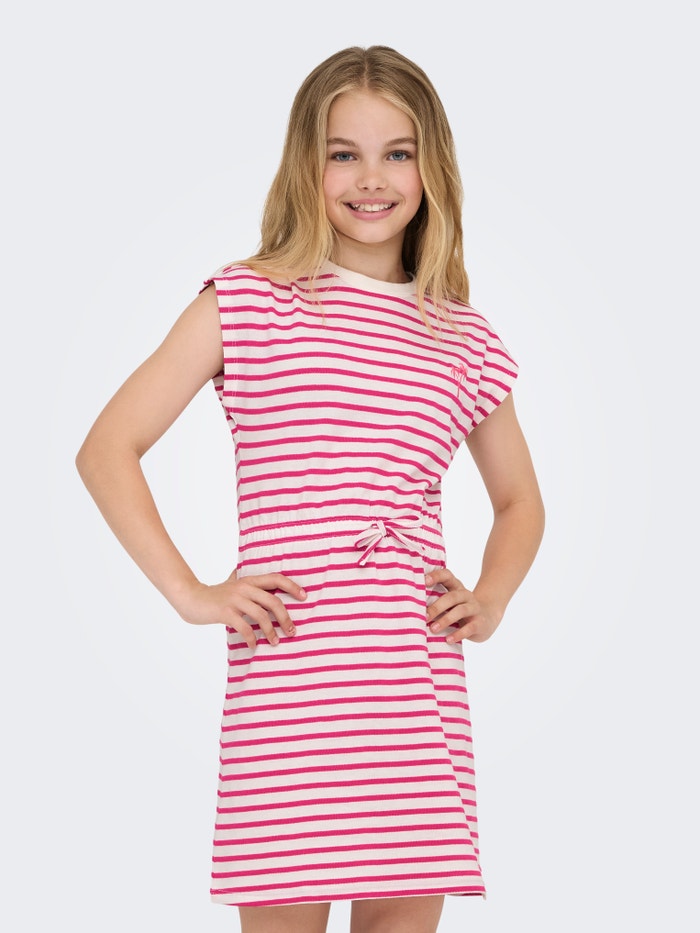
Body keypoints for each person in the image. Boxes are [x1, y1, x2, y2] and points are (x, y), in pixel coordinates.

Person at [76, 45, 545, 933]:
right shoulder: (250, 301)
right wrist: (192, 592)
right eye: (343, 153)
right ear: (307, 164)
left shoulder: (464, 336)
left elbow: (521, 499)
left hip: (413, 684)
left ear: (432, 168)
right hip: (291, 677)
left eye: (397, 153)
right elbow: (108, 448)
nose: (371, 178)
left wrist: (490, 598)